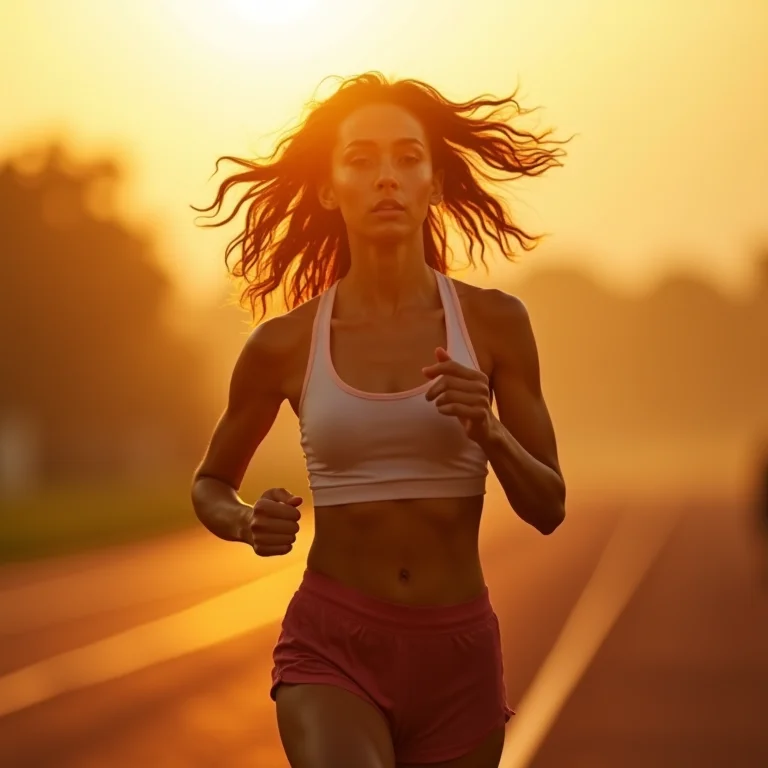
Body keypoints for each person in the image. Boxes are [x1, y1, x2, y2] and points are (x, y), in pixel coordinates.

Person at [191, 72, 568, 768]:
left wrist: (489, 432)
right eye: (361, 160)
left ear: (434, 183)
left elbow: (549, 505)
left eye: (406, 158)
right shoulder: (283, 343)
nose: (386, 177)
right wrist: (246, 520)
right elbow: (211, 482)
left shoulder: (494, 324)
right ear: (331, 186)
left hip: (459, 654)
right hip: (333, 646)